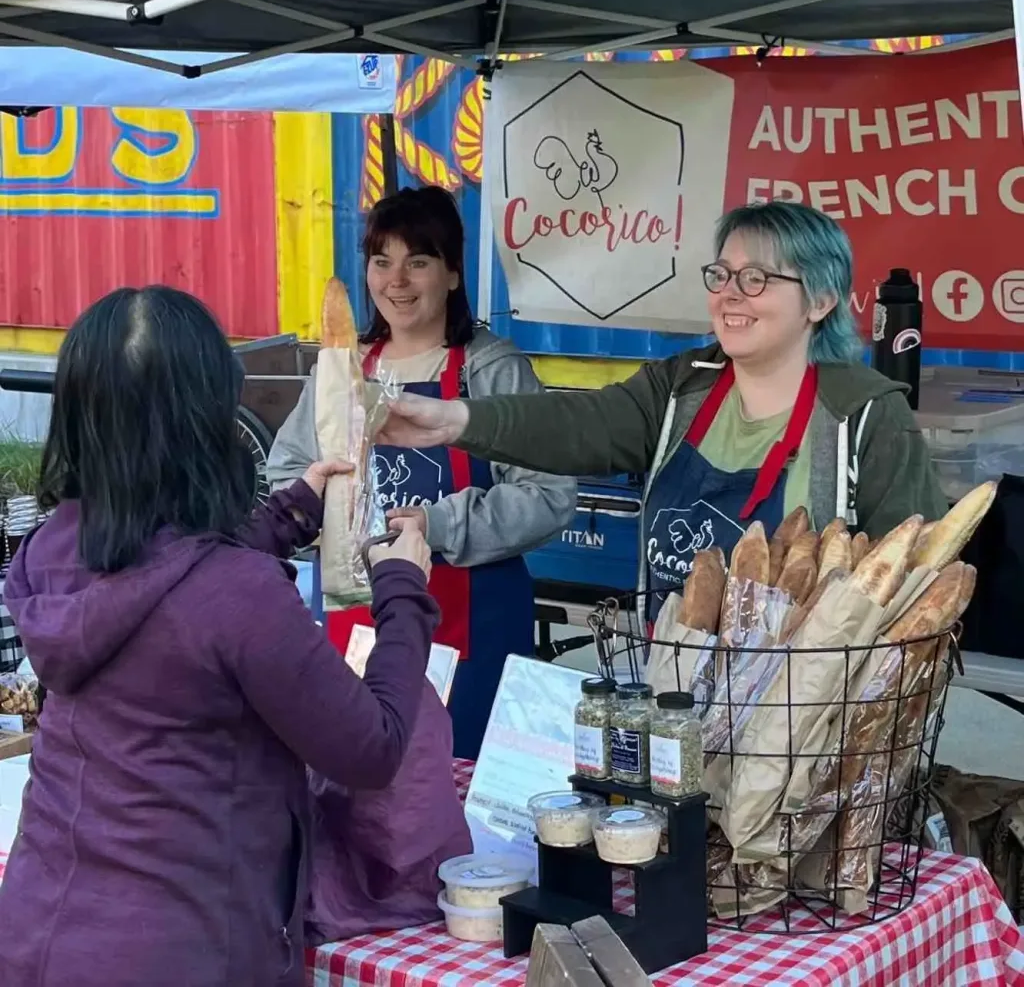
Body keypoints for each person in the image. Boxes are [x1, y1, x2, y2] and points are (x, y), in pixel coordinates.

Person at [0, 286, 438, 987]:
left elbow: (161, 570)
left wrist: (291, 516)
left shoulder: (52, 550)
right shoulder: (239, 596)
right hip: (183, 953)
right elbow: (372, 747)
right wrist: (404, 591)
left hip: (37, 934)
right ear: (206, 421)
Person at [376, 200, 948, 622]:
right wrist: (457, 421)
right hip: (670, 693)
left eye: (756, 278)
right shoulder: (681, 387)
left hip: (799, 721)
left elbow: (915, 584)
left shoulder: (867, 417)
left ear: (821, 301)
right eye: (721, 274)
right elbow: (582, 425)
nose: (729, 293)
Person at [267, 185, 576, 759]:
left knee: (458, 793)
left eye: (418, 262)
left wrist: (439, 524)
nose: (396, 281)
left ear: (454, 274)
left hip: (474, 628)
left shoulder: (491, 371)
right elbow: (286, 468)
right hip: (359, 626)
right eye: (381, 262)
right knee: (358, 786)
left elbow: (550, 494)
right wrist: (324, 504)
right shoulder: (343, 370)